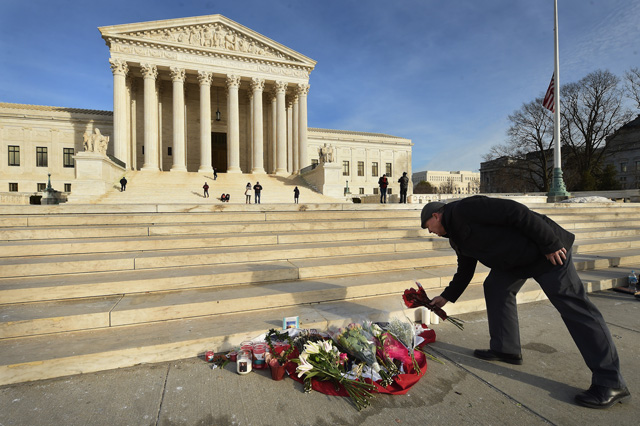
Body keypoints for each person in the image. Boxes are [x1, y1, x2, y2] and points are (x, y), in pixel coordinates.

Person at [420, 196, 629, 409]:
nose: (430, 232)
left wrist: (550, 244)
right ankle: (505, 348)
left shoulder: (466, 208)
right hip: (516, 261)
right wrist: (445, 297)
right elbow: (465, 270)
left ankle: (610, 381)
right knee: (495, 287)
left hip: (548, 252)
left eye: (428, 227)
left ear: (436, 215)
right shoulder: (456, 237)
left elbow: (516, 211)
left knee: (574, 308)